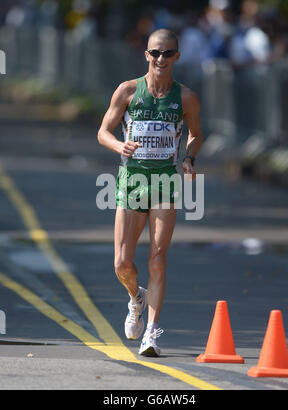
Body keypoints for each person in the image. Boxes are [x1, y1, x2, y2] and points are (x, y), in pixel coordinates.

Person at [98, 28, 203, 357]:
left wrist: (188, 158)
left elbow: (197, 134)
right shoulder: (128, 91)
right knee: (122, 262)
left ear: (177, 57)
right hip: (131, 181)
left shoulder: (185, 97)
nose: (161, 59)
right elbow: (103, 131)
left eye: (167, 53)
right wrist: (120, 144)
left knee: (158, 258)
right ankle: (135, 298)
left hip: (164, 183)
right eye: (155, 53)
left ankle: (152, 335)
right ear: (146, 55)